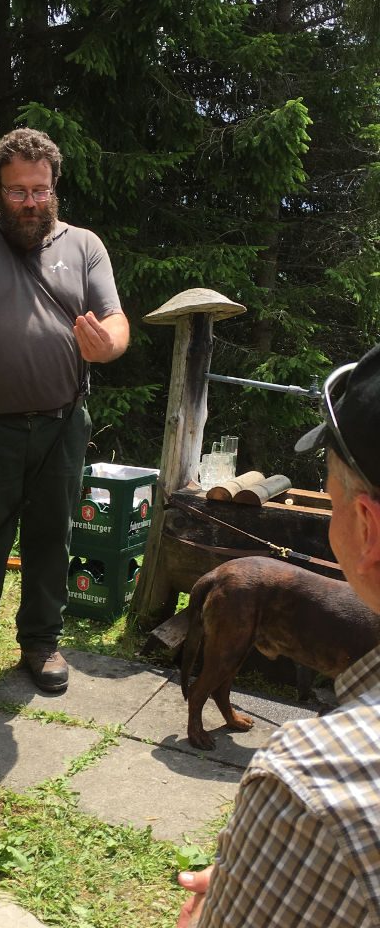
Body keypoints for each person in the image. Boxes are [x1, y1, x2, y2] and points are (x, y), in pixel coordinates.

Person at [176, 342, 380, 927]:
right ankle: (203, 708)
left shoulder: (310, 782)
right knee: (221, 663)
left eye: (329, 486)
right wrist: (273, 872)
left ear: (364, 525)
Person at [0, 128, 130, 702]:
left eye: (40, 191)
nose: (31, 202)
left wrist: (105, 346)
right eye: (17, 192)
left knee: (51, 537)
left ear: (54, 187)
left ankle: (41, 643)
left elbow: (116, 322)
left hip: (63, 422)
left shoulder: (84, 245)